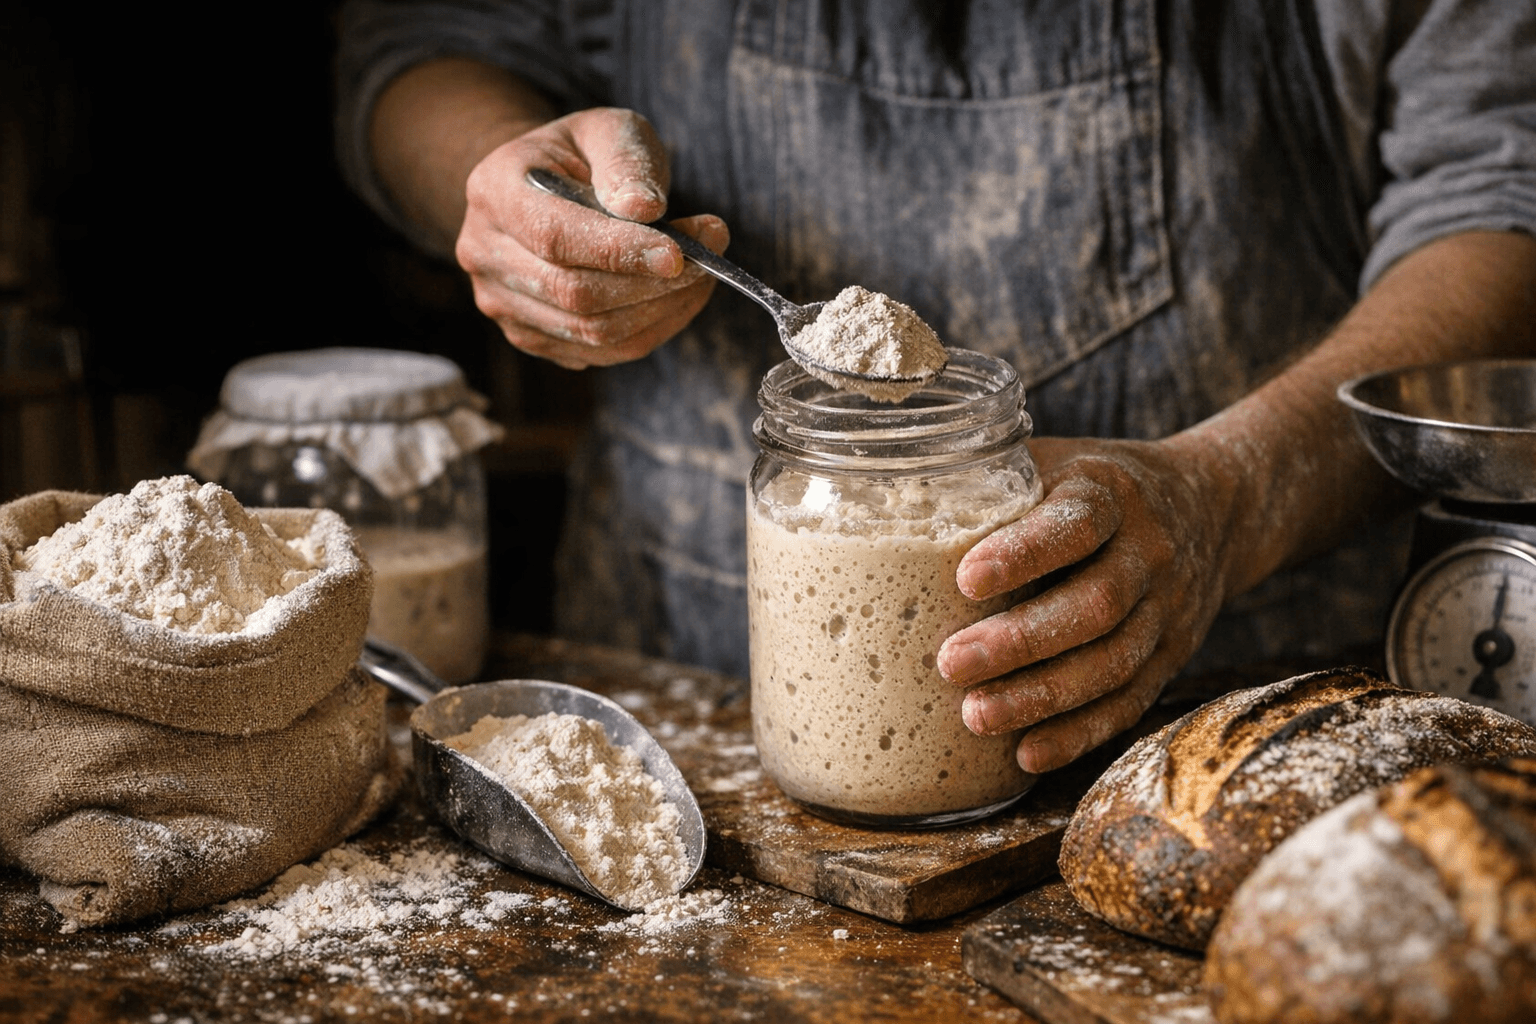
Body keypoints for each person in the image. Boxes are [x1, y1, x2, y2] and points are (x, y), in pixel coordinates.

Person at [335, 0, 1536, 775]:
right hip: (679, 709)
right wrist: (502, 186)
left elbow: (1499, 198)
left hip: (1236, 719)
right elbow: (423, 44)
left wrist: (1233, 494)